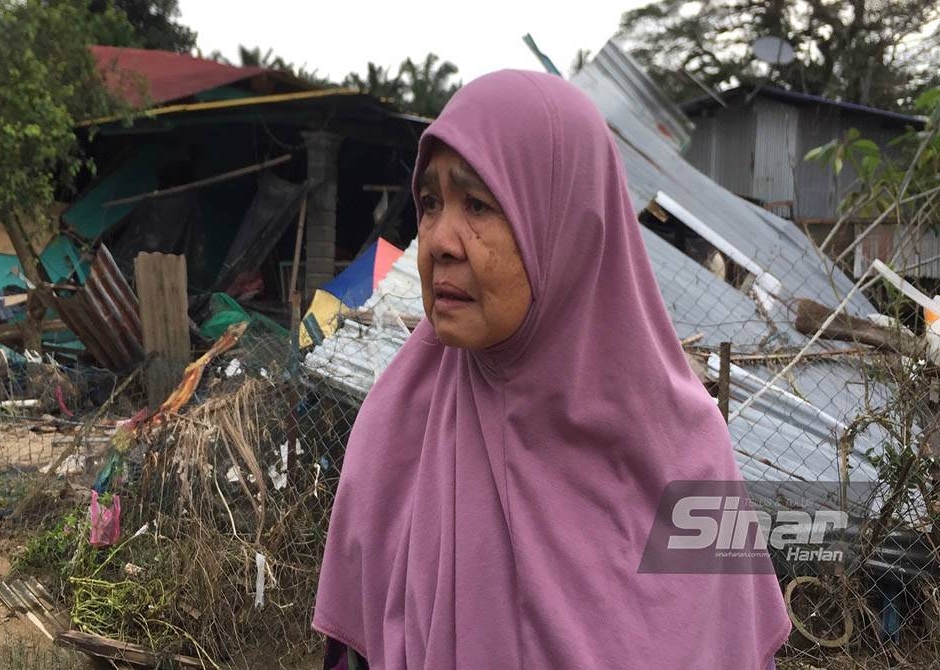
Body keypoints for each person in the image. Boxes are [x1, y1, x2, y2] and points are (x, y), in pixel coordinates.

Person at [313, 69, 791, 669]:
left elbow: (734, 646)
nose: (438, 241)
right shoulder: (397, 430)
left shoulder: (691, 456)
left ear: (569, 224)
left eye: (479, 204)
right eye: (430, 203)